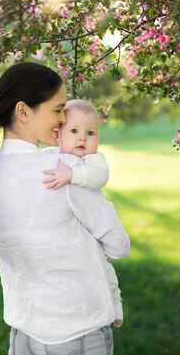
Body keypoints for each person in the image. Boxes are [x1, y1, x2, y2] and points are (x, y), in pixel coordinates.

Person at [0, 62, 130, 355]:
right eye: (57, 110)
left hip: (24, 335)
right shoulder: (62, 168)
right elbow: (118, 246)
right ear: (23, 111)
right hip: (79, 331)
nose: (63, 119)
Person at [41, 99, 124, 328]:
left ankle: (114, 304)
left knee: (105, 269)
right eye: (74, 131)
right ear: (58, 134)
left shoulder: (94, 160)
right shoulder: (50, 154)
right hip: (71, 228)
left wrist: (72, 175)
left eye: (90, 133)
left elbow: (100, 177)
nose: (82, 138)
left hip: (94, 225)